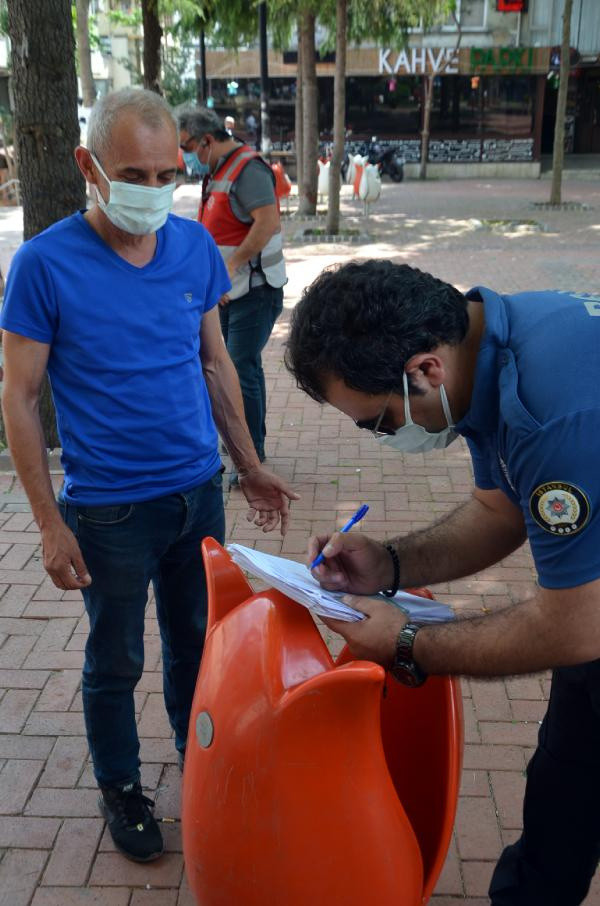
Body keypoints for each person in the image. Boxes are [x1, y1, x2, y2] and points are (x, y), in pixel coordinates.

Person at [0, 88, 298, 865]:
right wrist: (48, 522)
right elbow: (21, 398)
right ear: (88, 167)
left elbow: (214, 360)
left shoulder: (194, 247)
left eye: (167, 173)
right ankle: (122, 787)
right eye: (134, 172)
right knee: (116, 658)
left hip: (197, 494)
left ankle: (196, 756)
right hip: (109, 512)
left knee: (198, 642)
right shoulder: (43, 265)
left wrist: (251, 466)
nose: (153, 190)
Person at [285, 259, 600, 906]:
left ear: (425, 370)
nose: (381, 438)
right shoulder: (488, 341)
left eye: (376, 422)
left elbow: (577, 625)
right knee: (564, 790)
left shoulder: (548, 408)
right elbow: (499, 509)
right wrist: (390, 563)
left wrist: (408, 644)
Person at [178, 107, 286, 486]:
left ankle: (251, 456)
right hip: (229, 293)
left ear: (206, 141)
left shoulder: (247, 169)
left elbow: (268, 221)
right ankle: (243, 447)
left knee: (240, 367)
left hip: (256, 290)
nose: (184, 155)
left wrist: (230, 267)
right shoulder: (217, 169)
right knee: (232, 365)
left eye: (186, 146)